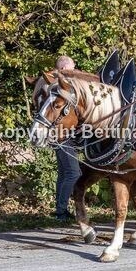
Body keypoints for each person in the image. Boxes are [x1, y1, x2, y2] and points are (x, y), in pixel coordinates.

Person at [53, 54, 80, 222]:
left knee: (64, 173)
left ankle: (60, 210)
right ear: (63, 69)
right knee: (73, 173)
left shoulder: (56, 85)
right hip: (62, 136)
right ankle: (61, 211)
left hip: (61, 135)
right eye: (72, 68)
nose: (75, 71)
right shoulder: (59, 87)